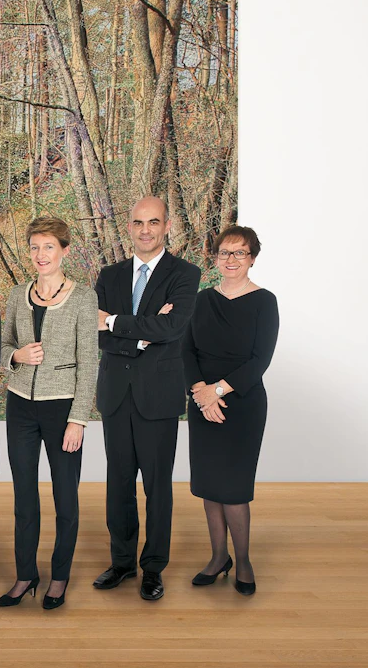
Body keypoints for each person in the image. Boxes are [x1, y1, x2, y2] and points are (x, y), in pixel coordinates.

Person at [93, 196, 201, 601]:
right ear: (129, 227)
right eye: (138, 222)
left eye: (153, 222)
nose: (145, 230)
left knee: (157, 487)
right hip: (116, 394)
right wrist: (144, 332)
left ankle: (153, 568)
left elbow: (173, 327)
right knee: (118, 484)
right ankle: (121, 562)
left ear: (167, 225)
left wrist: (121, 323)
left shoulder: (185, 274)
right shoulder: (110, 275)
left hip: (158, 396)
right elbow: (97, 331)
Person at [0, 217, 98, 610]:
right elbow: (3, 345)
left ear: (65, 251)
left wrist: (78, 419)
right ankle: (26, 575)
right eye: (35, 247)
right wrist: (15, 357)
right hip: (20, 406)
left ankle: (59, 577)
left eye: (49, 247)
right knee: (24, 497)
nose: (41, 255)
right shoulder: (16, 294)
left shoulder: (83, 298)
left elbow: (89, 362)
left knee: (65, 498)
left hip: (62, 410)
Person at [184, 226, 279, 596]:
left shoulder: (264, 301)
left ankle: (244, 561)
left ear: (252, 258)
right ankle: (218, 556)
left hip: (242, 404)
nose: (231, 260)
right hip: (202, 401)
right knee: (210, 485)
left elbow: (260, 360)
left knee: (234, 489)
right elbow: (186, 350)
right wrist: (199, 393)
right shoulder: (202, 299)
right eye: (225, 253)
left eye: (239, 253)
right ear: (216, 257)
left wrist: (217, 392)